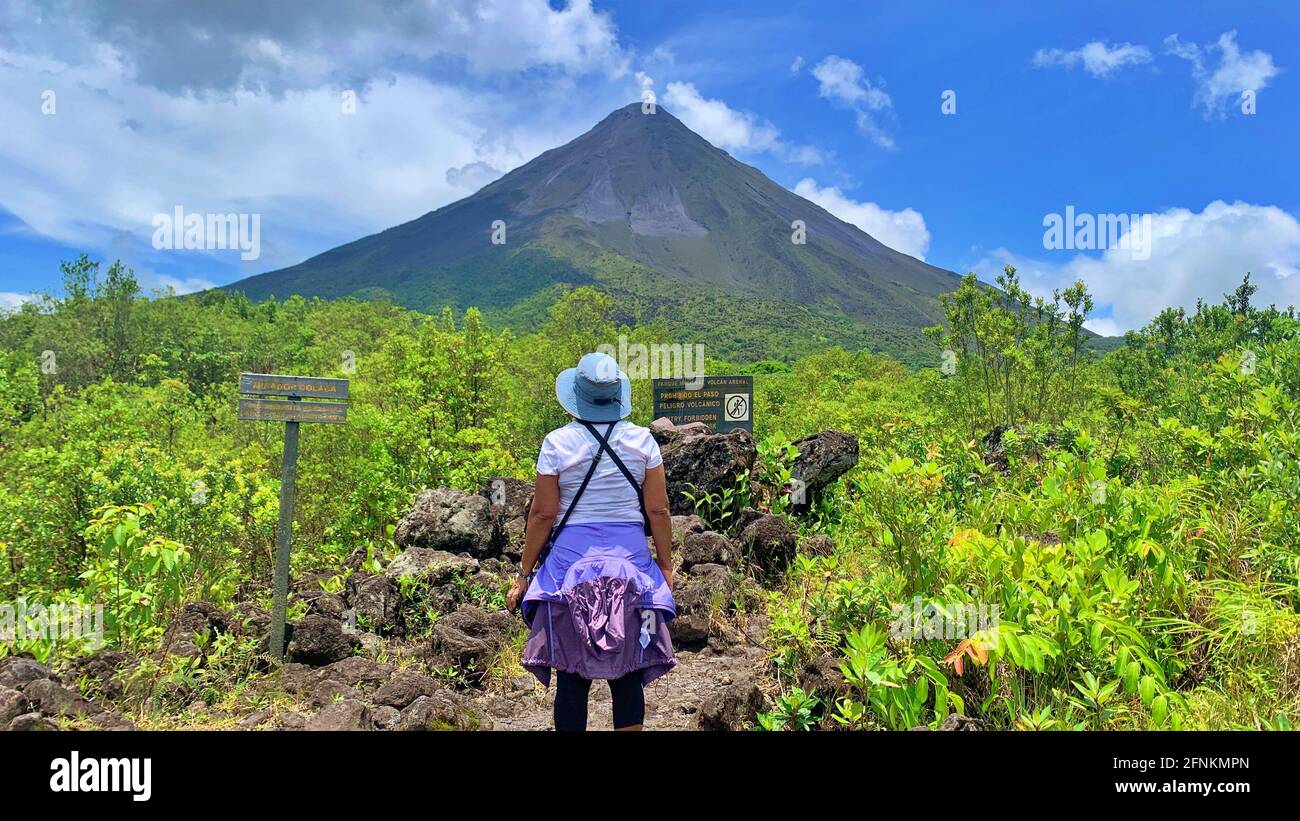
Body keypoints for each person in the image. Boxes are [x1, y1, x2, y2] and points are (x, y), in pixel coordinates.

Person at [506, 352, 677, 731]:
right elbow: (659, 511)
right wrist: (665, 566)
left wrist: (525, 572)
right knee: (629, 672)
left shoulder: (557, 443)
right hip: (631, 569)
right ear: (617, 395)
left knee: (571, 675)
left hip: (569, 572)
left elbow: (542, 515)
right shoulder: (642, 441)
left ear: (577, 397)